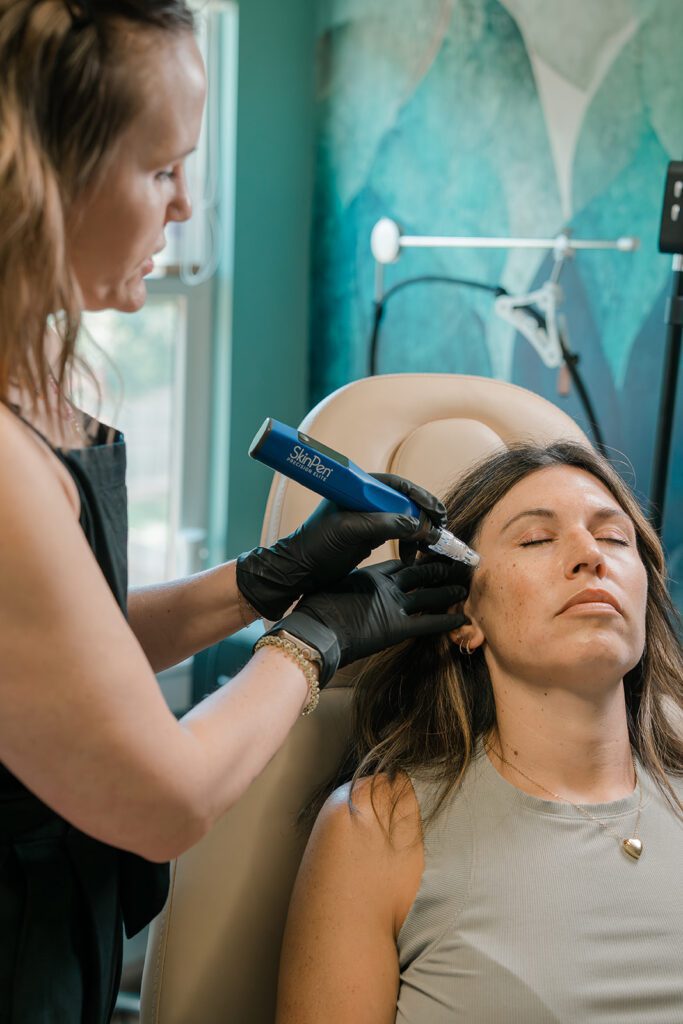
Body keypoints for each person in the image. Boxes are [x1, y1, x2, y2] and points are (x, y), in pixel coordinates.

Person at [0, 2, 467, 1019]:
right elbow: (160, 799)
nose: (185, 206)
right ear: (42, 174)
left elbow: (51, 661)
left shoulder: (30, 384)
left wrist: (261, 580)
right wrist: (309, 644)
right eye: (162, 169)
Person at [277, 440, 683, 1024]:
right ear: (464, 617)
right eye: (537, 539)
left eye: (615, 537)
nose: (590, 554)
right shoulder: (377, 830)